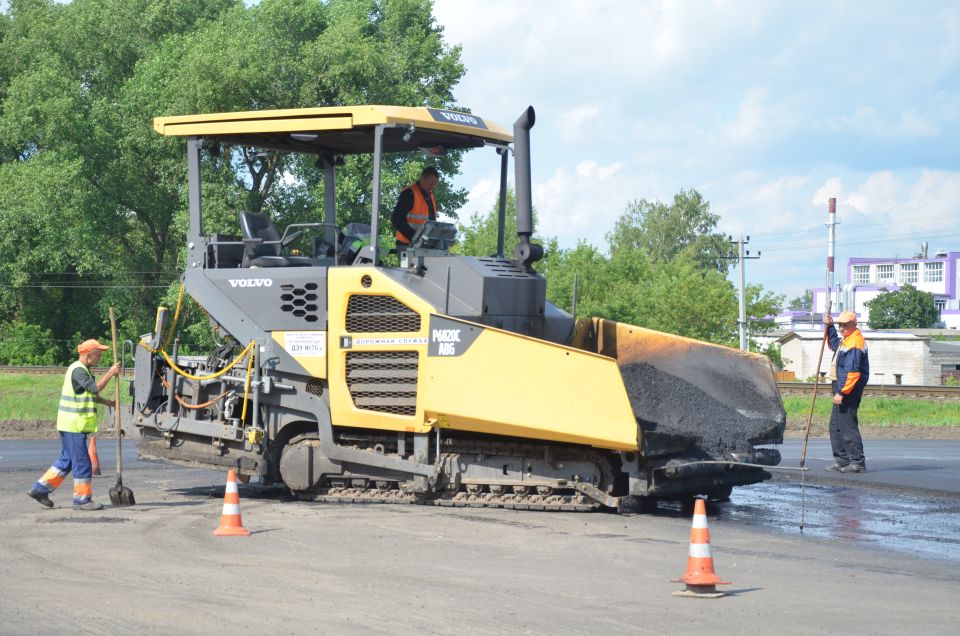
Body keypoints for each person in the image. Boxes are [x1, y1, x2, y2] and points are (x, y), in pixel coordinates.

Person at [27, 339, 120, 510]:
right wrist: (110, 373)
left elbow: (88, 394)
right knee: (83, 462)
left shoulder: (83, 370)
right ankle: (82, 500)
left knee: (67, 460)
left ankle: (40, 489)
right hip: (73, 425)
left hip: (71, 425)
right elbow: (94, 388)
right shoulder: (78, 370)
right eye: (97, 355)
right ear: (86, 355)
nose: (99, 358)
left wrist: (107, 402)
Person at [823, 310, 870, 473]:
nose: (842, 328)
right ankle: (843, 460)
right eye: (840, 325)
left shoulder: (855, 342)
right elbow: (833, 344)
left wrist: (841, 392)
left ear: (854, 325)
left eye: (845, 325)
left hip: (848, 389)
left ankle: (857, 462)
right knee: (835, 425)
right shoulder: (846, 340)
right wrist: (829, 327)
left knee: (847, 425)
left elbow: (853, 372)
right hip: (841, 386)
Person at [391, 166, 440, 250]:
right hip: (406, 245)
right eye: (430, 184)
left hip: (423, 245)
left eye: (435, 185)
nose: (432, 187)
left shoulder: (429, 194)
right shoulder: (409, 193)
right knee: (407, 264)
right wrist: (414, 237)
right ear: (422, 179)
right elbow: (396, 218)